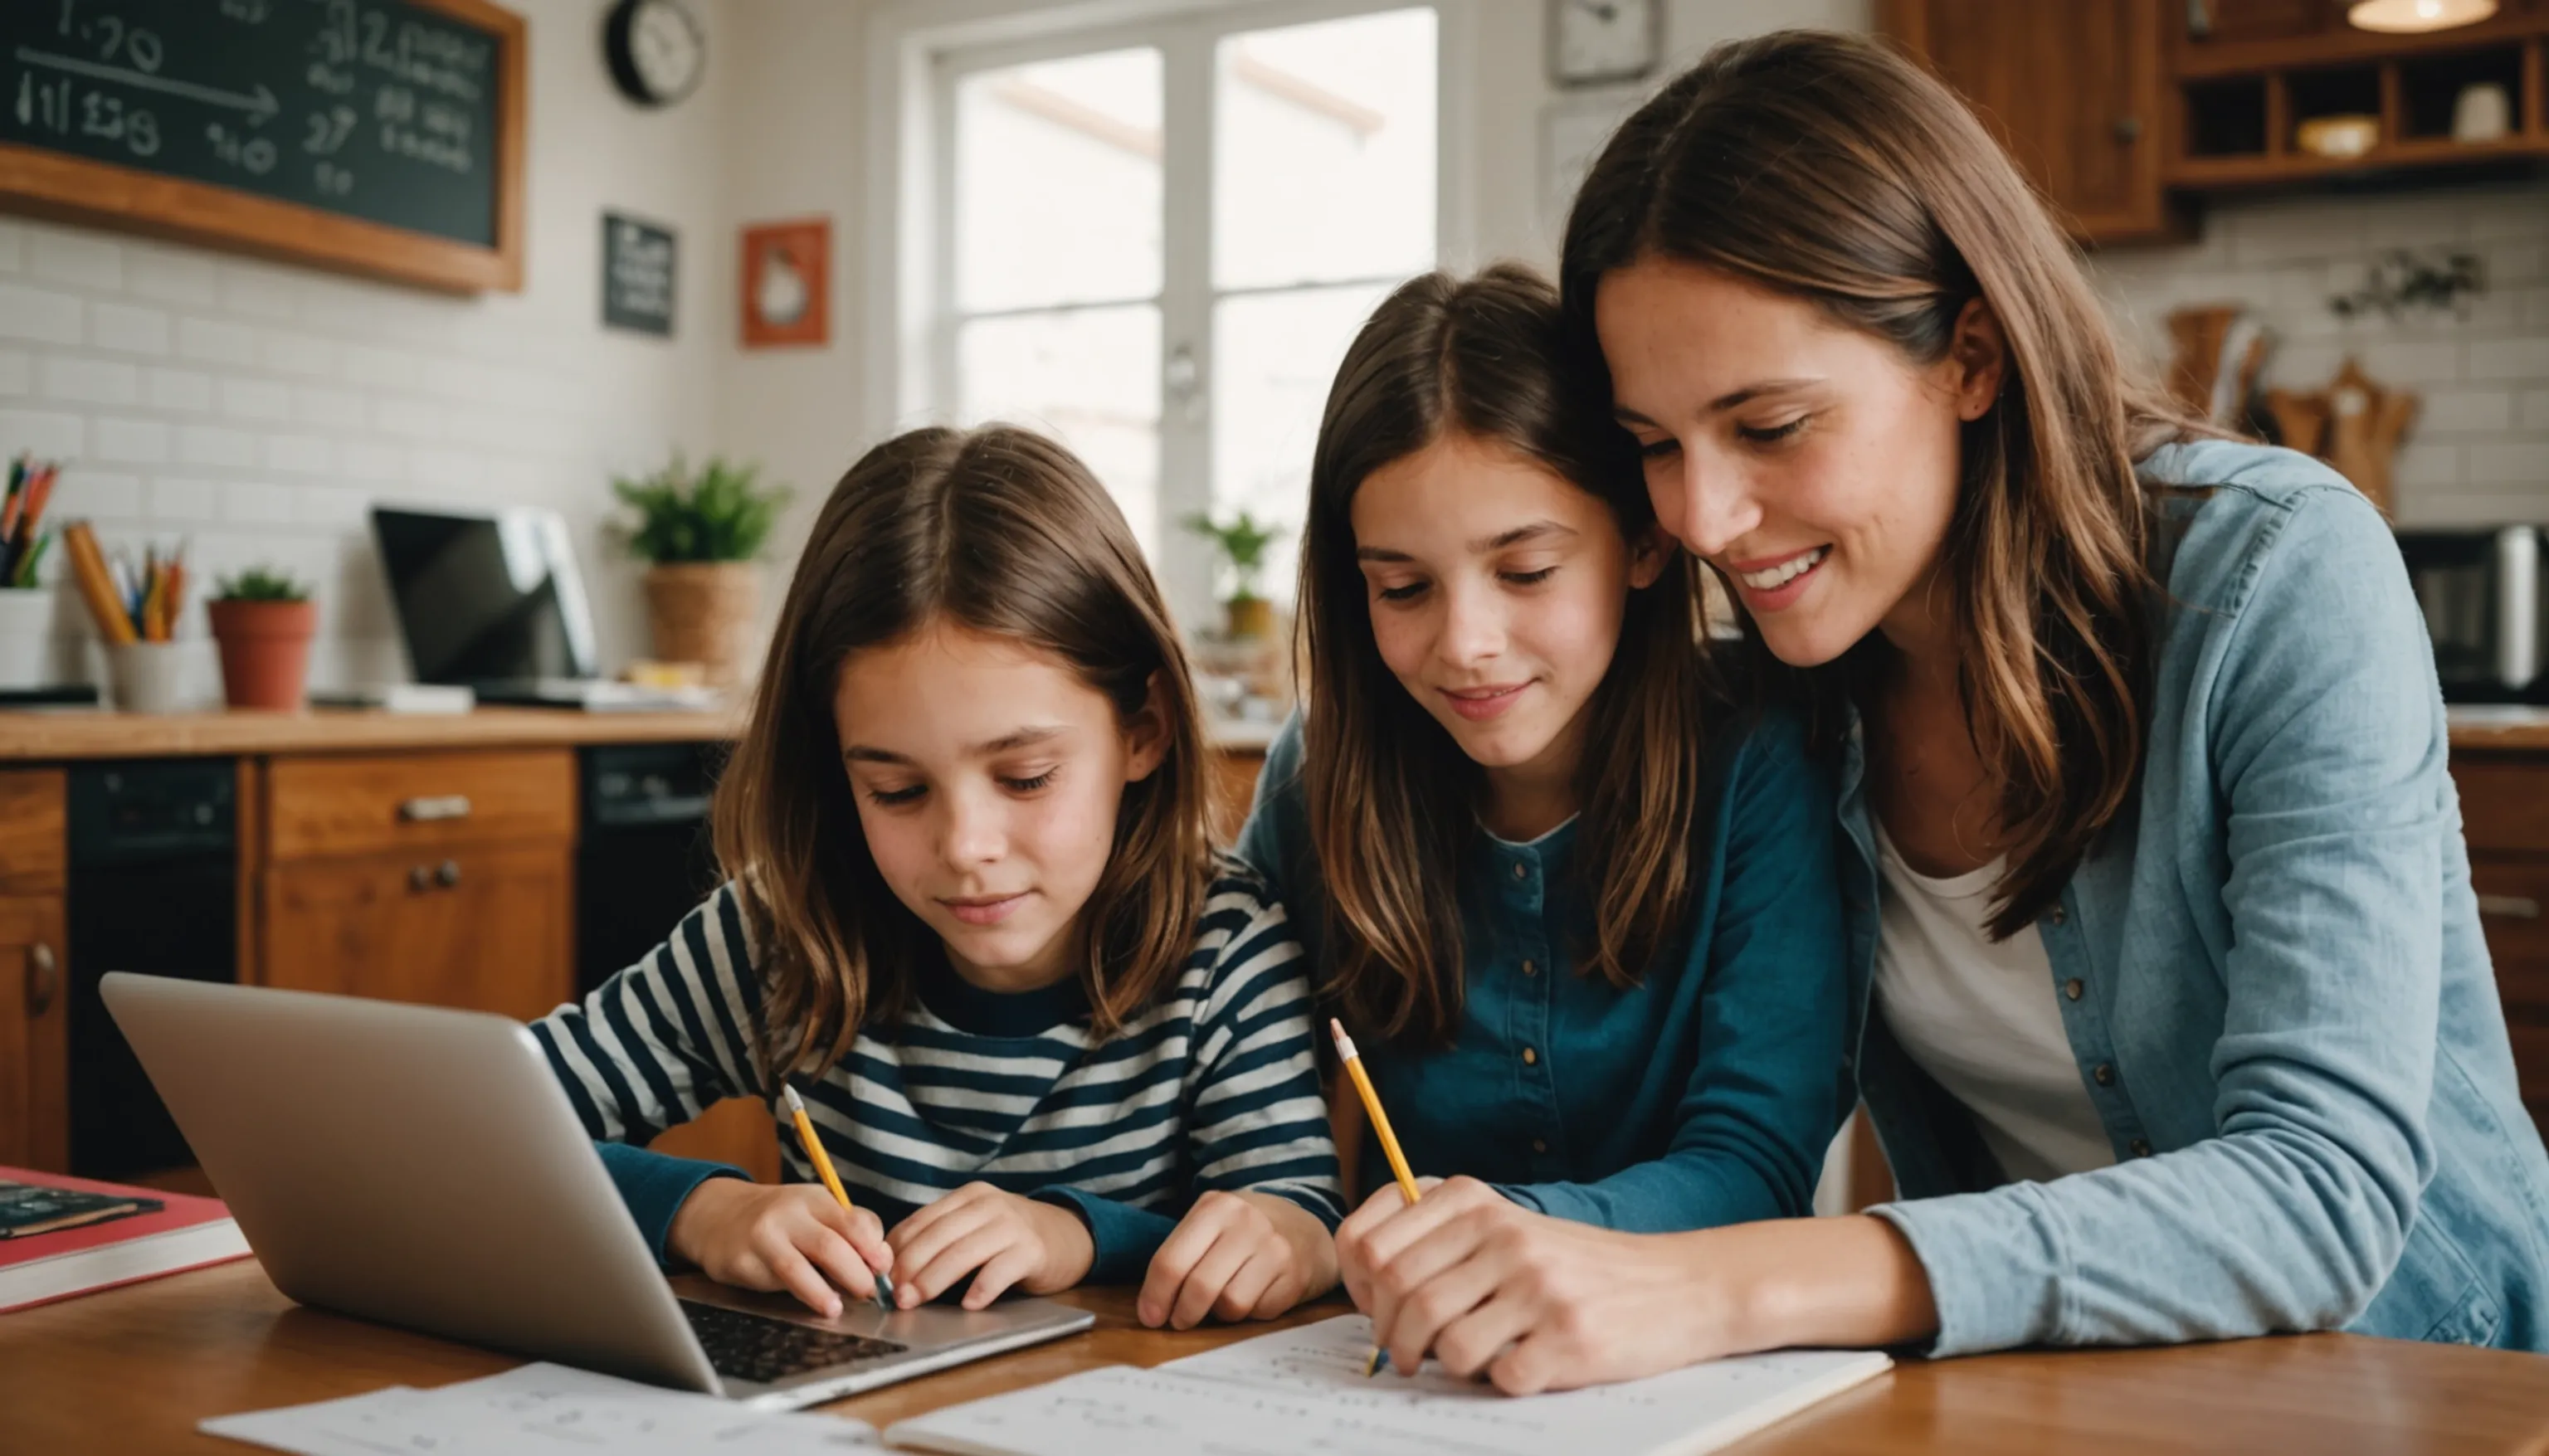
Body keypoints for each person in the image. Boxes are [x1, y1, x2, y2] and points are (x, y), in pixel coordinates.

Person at [1343, 28, 2549, 1393]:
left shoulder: (2275, 570)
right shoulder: (1786, 699)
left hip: (2424, 1384)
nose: (1701, 518)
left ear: (1969, 355)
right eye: (1651, 448)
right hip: (2058, 1390)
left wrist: (1720, 1283)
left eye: (1770, 426)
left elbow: (2320, 1188)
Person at [535, 425, 1341, 1332]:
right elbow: (488, 1128)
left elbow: (1295, 1218)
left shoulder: (1224, 949)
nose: (966, 846)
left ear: (1143, 729)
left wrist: (1080, 1238)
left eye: (1026, 778)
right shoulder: (779, 935)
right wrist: (701, 1211)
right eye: (897, 790)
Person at [1236, 265, 1851, 1367]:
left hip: (1681, 1368)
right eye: (1403, 588)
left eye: (1525, 570)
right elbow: (1236, 1113)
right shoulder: (1315, 770)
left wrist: (1514, 1232)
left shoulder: (1760, 750)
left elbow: (1756, 1160)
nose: (1465, 641)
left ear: (1647, 541)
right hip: (1383, 1372)